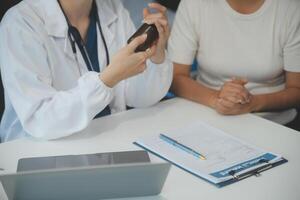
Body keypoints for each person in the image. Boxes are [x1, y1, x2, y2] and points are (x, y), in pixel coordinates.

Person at [0, 0, 173, 142]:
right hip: (39, 150)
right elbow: (40, 119)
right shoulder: (21, 23)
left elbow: (138, 96)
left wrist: (156, 58)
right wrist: (107, 80)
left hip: (106, 140)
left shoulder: (114, 9)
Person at [169, 0, 300, 127]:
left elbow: (296, 90)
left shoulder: (291, 9)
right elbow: (176, 76)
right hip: (204, 113)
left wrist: (253, 103)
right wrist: (217, 99)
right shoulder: (194, 4)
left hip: (273, 123)